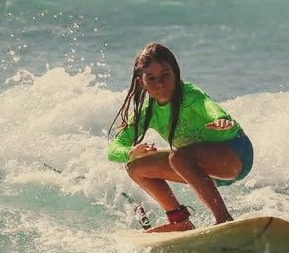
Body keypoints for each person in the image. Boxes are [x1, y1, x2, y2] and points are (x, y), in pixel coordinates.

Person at [107, 43, 253, 232]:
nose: (160, 83)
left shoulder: (190, 95)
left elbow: (208, 106)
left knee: (179, 157)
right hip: (200, 170)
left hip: (234, 155)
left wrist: (220, 119)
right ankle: (179, 220)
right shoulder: (147, 112)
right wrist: (130, 152)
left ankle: (223, 219)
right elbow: (114, 150)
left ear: (175, 74)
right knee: (135, 167)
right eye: (151, 78)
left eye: (165, 75)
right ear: (142, 83)